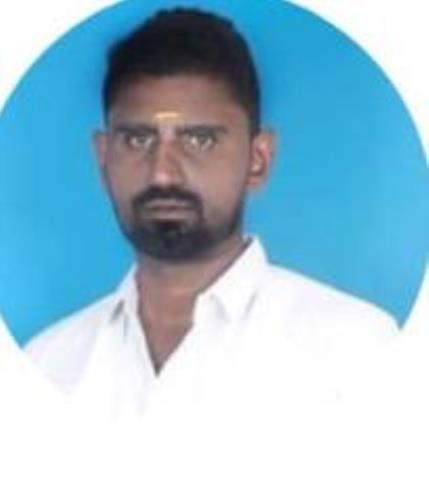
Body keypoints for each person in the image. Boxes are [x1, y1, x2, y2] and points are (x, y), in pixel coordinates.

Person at [26, 7, 397, 421]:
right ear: (103, 158)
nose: (163, 172)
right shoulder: (47, 364)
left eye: (200, 140)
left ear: (258, 160)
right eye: (137, 139)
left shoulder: (357, 352)